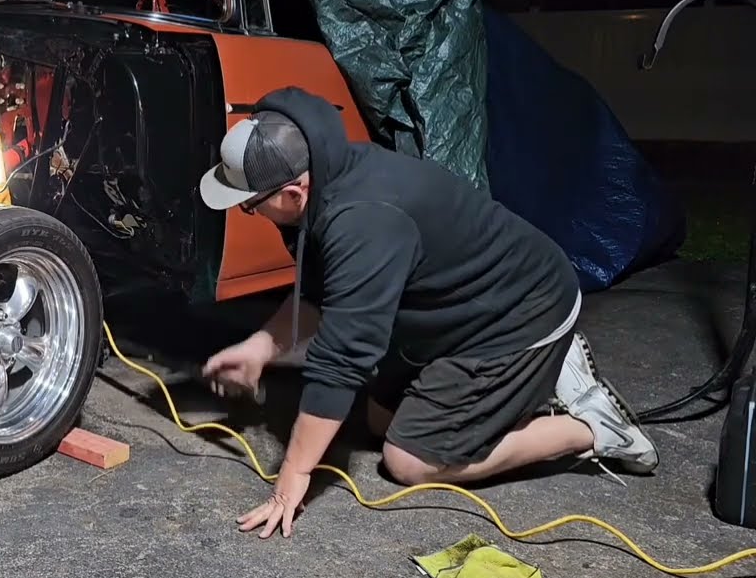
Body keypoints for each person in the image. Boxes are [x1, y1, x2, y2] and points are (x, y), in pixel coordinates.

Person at [197, 86, 659, 540]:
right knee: (378, 422)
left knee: (409, 460)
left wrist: (294, 476)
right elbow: (319, 293)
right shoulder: (325, 176)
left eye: (252, 206)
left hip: (518, 315)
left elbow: (342, 359)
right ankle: (550, 371)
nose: (249, 212)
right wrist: (261, 346)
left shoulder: (363, 219)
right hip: (455, 310)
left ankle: (593, 427)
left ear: (295, 191)